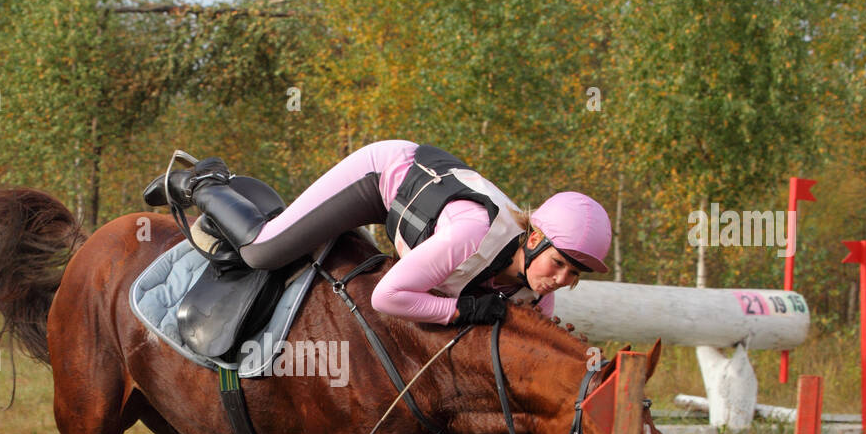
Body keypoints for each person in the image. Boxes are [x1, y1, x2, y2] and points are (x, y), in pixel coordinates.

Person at [159, 139, 611, 325]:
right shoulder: (472, 235)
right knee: (262, 251)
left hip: (425, 206)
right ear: (533, 239)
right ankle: (203, 181)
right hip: (380, 178)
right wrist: (464, 309)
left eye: (574, 274)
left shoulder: (536, 295)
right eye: (559, 264)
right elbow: (387, 297)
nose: (561, 280)